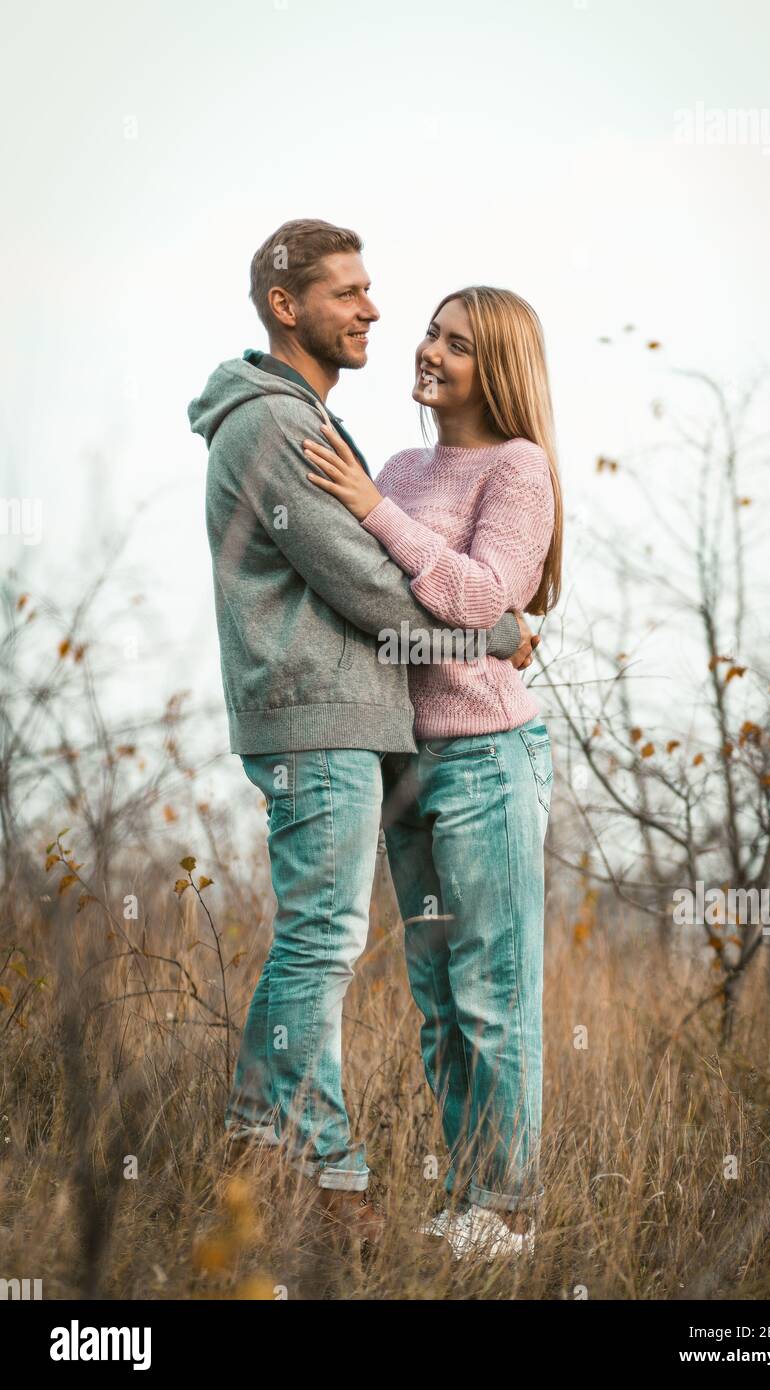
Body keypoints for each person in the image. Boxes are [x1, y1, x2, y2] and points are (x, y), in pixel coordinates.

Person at [187, 220, 538, 1248]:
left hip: (401, 739)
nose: (377, 313)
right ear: (286, 306)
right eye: (351, 293)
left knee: (438, 977)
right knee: (330, 942)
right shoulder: (281, 430)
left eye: (378, 292)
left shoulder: (322, 429)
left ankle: (278, 1151)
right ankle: (329, 1175)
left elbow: (412, 571)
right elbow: (376, 590)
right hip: (326, 721)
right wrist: (506, 632)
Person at [300, 284, 562, 1259]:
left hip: (488, 756)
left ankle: (504, 1210)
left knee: (496, 993)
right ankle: (464, 1200)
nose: (430, 352)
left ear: (494, 365)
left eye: (456, 344)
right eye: (430, 334)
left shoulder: (518, 466)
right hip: (403, 759)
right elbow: (368, 593)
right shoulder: (404, 464)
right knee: (438, 1000)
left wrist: (372, 509)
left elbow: (484, 596)